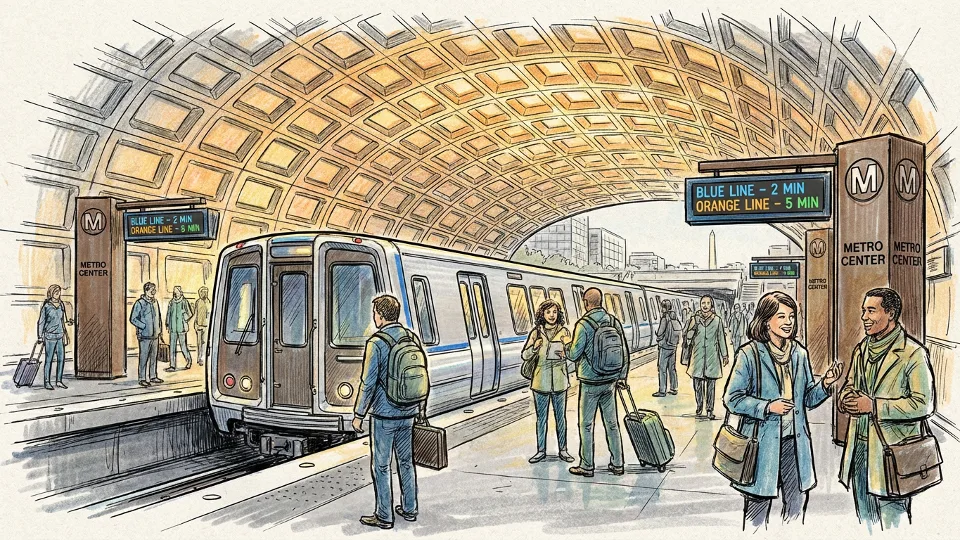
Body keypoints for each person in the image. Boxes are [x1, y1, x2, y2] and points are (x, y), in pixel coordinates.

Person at [723, 291, 843, 528]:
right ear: (766, 321)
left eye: (792, 316)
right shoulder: (749, 354)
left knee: (796, 506)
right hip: (761, 445)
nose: (789, 322)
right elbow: (732, 399)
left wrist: (826, 384)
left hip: (794, 445)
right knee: (757, 509)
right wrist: (767, 407)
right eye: (781, 316)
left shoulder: (799, 354)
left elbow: (808, 399)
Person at [837, 288, 935, 531]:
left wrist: (874, 406)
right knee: (864, 520)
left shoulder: (913, 353)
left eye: (871, 311)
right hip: (859, 450)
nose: (864, 317)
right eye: (863, 311)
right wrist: (845, 399)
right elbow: (850, 386)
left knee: (894, 523)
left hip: (892, 453)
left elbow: (923, 404)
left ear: (890, 313)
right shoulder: (861, 350)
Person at [353, 295, 427, 529]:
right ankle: (410, 508)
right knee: (406, 461)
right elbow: (421, 374)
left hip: (385, 414)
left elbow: (368, 382)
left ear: (381, 315)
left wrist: (359, 414)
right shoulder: (411, 337)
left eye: (375, 312)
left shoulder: (376, 343)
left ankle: (384, 515)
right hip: (409, 411)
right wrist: (421, 407)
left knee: (382, 466)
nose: (374, 317)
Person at [565, 288, 630, 478]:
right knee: (612, 423)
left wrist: (565, 345)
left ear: (586, 302)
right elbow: (624, 351)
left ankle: (587, 466)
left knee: (586, 424)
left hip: (590, 382)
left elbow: (574, 354)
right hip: (610, 380)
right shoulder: (613, 321)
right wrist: (622, 376)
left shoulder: (583, 325)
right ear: (600, 301)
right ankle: (618, 463)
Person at [522, 299, 574, 463]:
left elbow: (574, 356)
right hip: (540, 382)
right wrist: (535, 347)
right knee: (541, 419)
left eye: (554, 312)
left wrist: (566, 354)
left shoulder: (565, 332)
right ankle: (541, 450)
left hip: (560, 381)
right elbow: (525, 355)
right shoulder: (536, 332)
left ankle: (563, 450)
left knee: (561, 418)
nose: (552, 315)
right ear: (542, 315)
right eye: (548, 312)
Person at [684, 295, 728, 419]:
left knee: (710, 385)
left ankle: (709, 409)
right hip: (698, 355)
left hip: (712, 356)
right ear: (700, 304)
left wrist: (724, 355)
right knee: (697, 384)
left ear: (711, 305)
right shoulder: (694, 319)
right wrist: (691, 328)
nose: (705, 305)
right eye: (703, 303)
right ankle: (699, 405)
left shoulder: (717, 320)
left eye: (708, 303)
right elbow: (688, 336)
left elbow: (721, 338)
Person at [36, 284, 72, 390]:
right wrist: (39, 336)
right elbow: (41, 322)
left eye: (59, 292)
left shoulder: (61, 305)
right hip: (49, 336)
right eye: (56, 292)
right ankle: (47, 382)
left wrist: (66, 332)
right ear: (51, 293)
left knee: (61, 359)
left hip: (60, 335)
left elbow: (62, 321)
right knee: (49, 360)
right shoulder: (46, 306)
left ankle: (59, 381)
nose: (58, 294)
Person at [130, 282, 164, 387]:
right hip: (144, 336)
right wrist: (143, 326)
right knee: (143, 358)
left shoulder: (155, 302)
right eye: (151, 290)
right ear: (146, 290)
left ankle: (153, 376)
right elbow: (133, 319)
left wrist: (160, 330)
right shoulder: (139, 303)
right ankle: (142, 378)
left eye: (154, 289)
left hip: (155, 335)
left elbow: (159, 317)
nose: (154, 292)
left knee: (154, 357)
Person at [652, 299, 681, 397]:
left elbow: (660, 332)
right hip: (673, 346)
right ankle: (674, 388)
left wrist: (658, 337)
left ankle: (662, 390)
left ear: (664, 307)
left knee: (662, 368)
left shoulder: (665, 318)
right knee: (672, 368)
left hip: (665, 346)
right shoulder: (674, 317)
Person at [165, 285, 194, 371]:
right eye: (174, 291)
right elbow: (168, 314)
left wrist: (183, 315)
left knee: (183, 346)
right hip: (173, 328)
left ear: (180, 292)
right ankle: (172, 365)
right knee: (172, 347)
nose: (175, 292)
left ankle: (189, 361)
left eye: (176, 291)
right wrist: (167, 323)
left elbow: (190, 313)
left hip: (181, 328)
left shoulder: (184, 301)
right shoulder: (171, 302)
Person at [193, 287, 211, 367]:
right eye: (202, 292)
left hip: (206, 326)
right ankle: (199, 358)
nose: (203, 294)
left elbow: (209, 314)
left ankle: (202, 359)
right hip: (199, 325)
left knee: (204, 343)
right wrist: (195, 324)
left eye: (205, 292)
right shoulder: (198, 302)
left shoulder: (209, 302)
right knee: (199, 343)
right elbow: (196, 313)